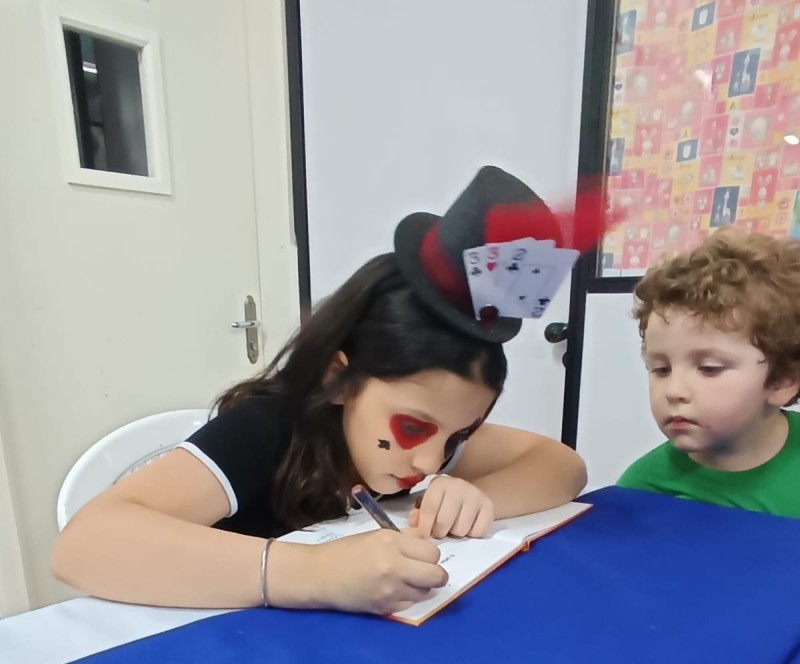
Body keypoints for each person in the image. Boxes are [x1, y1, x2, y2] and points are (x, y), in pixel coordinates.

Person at [52, 166, 591, 616]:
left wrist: (478, 498)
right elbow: (83, 545)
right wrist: (312, 572)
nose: (431, 461)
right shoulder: (268, 430)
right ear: (338, 379)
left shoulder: (418, 438)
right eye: (413, 427)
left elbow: (562, 465)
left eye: (459, 436)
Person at [618, 227, 800, 518]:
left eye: (709, 369)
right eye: (661, 369)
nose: (674, 391)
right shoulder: (642, 491)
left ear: (782, 380)